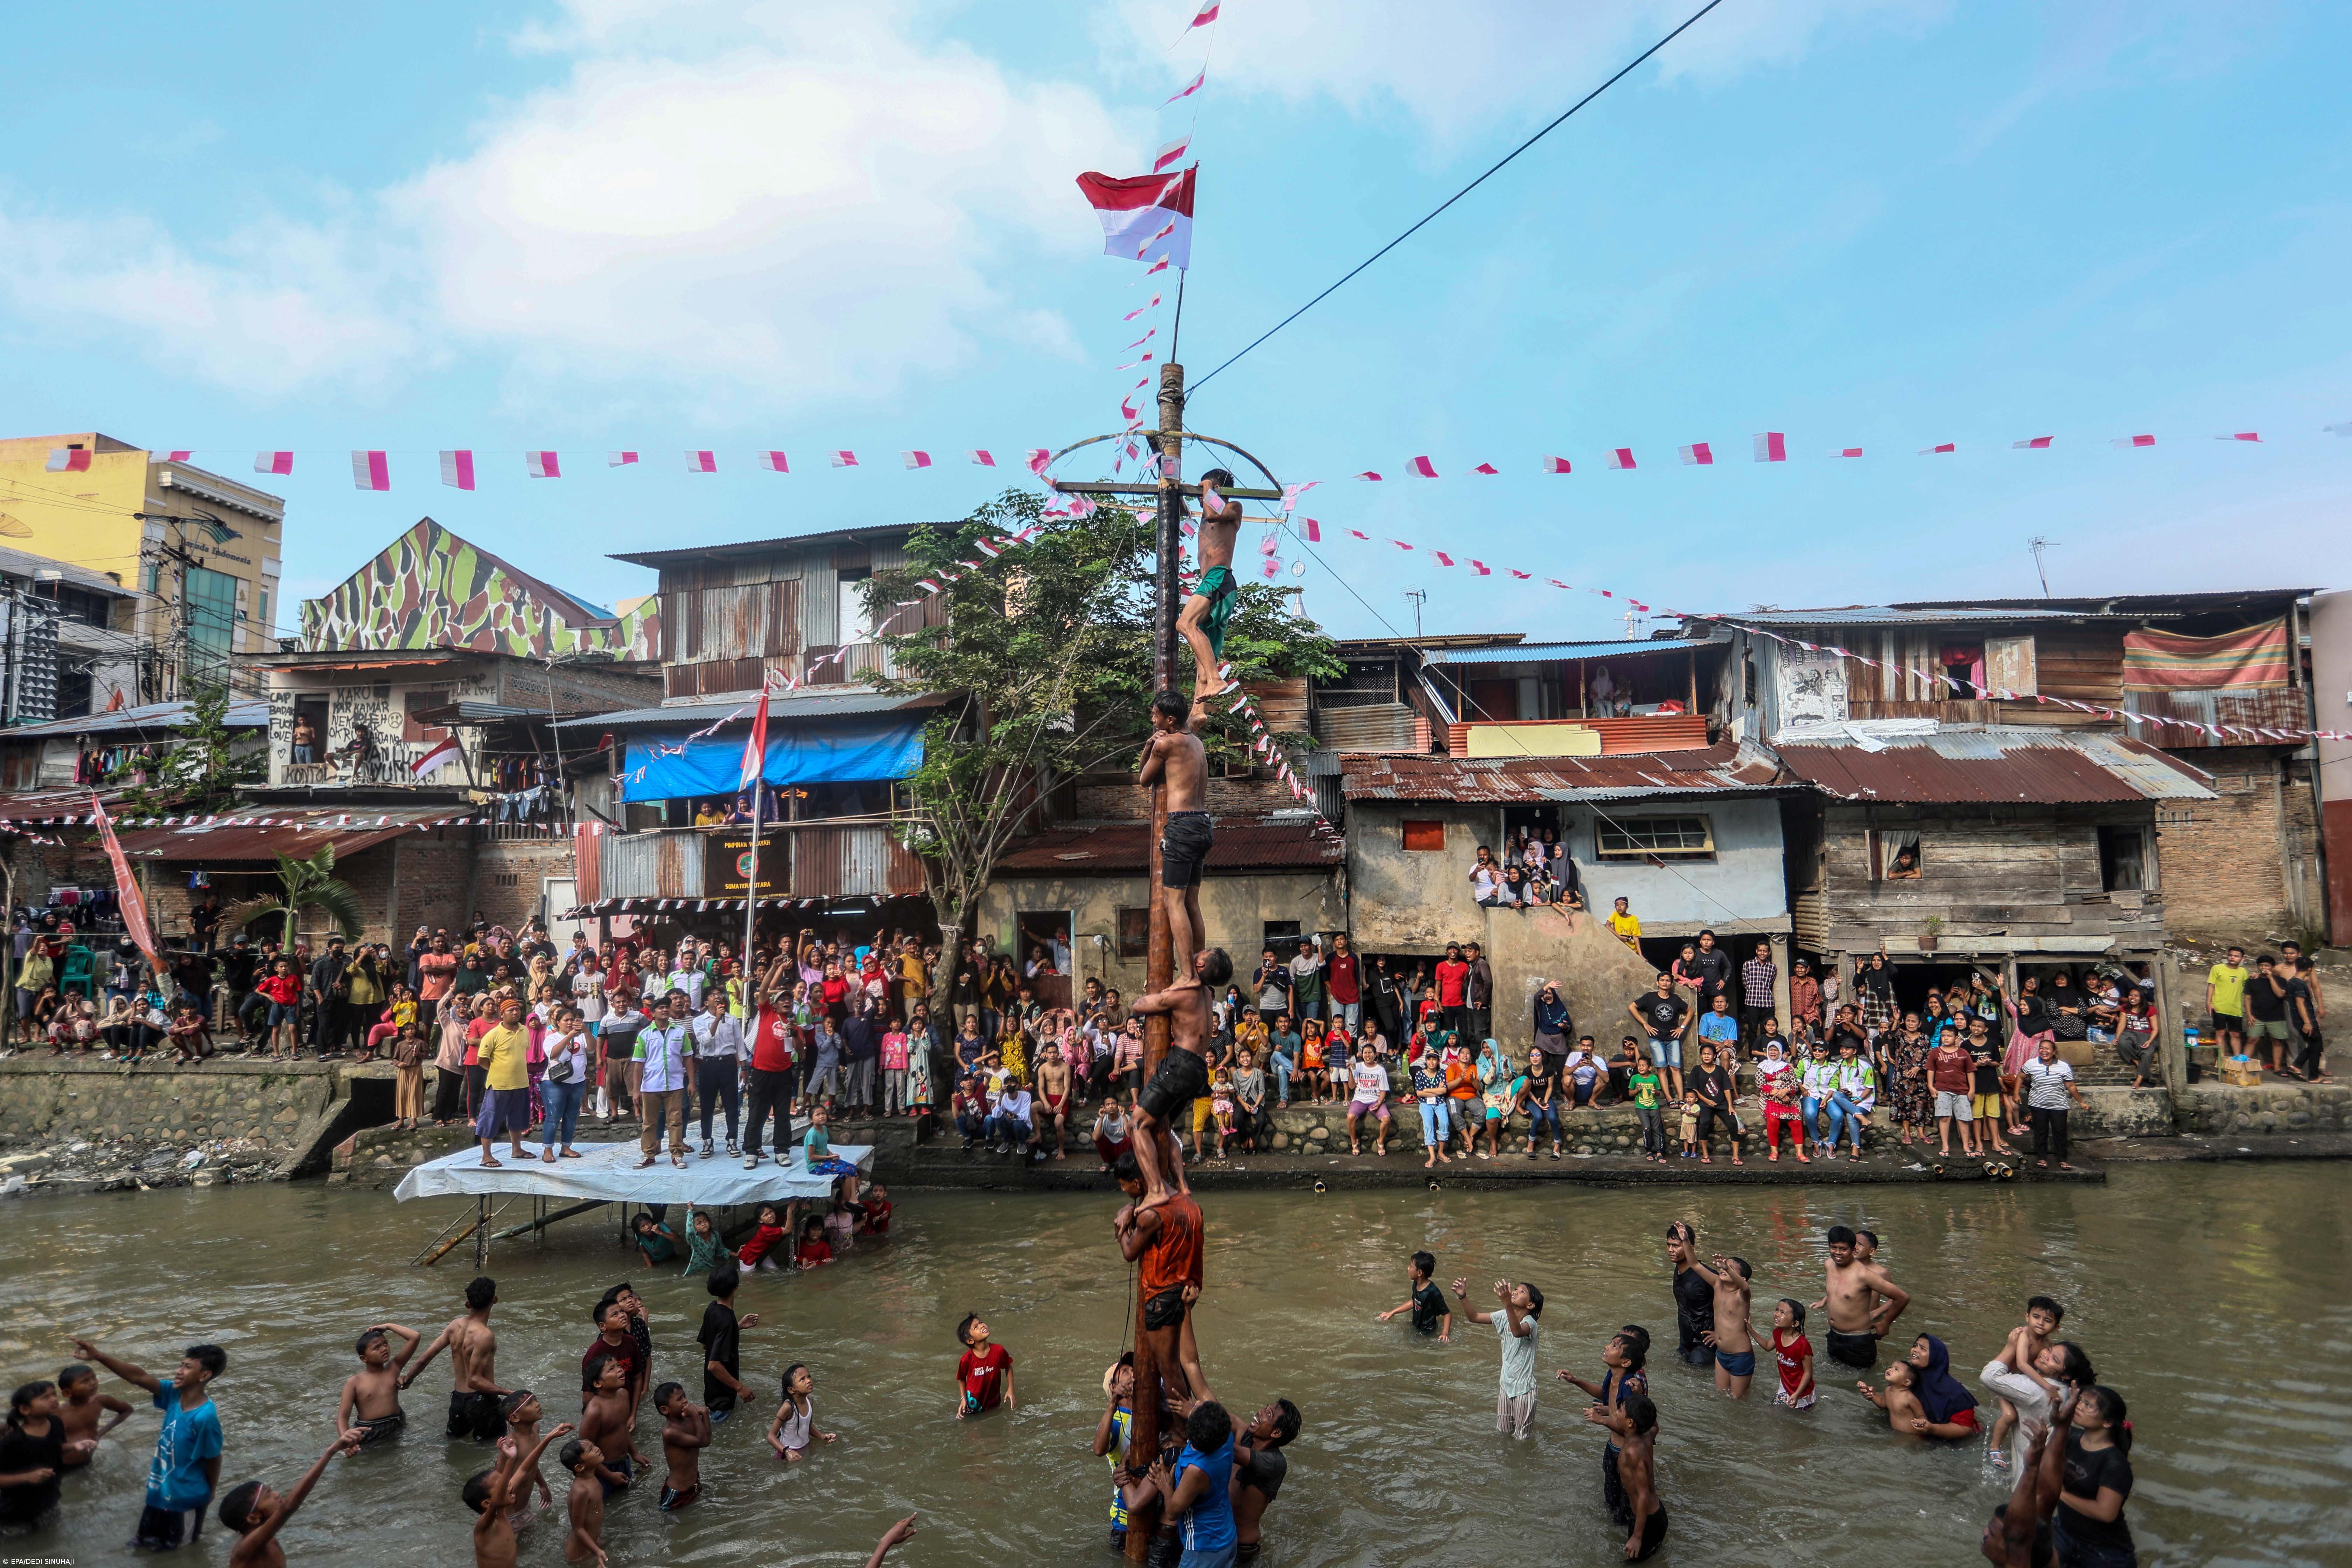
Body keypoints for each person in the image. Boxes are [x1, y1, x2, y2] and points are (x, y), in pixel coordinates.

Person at [70, 1337, 226, 1551]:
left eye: (188, 1367)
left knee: (179, 1552)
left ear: (205, 1375)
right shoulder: (174, 1395)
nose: (180, 1371)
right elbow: (137, 1376)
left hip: (185, 1500)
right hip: (159, 1492)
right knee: (142, 1545)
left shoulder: (205, 1417)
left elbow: (214, 1457)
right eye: (181, 1365)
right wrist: (98, 1356)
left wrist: (210, 1493)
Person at [1128, 947, 1234, 1211]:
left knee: (1137, 1125)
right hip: (1197, 1069)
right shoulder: (1207, 994)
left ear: (1201, 965)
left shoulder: (1186, 993)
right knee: (1163, 1125)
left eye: (1203, 952)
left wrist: (1166, 989)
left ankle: (1156, 1190)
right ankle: (1181, 1184)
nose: (1197, 952)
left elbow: (1139, 1006)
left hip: (1180, 1064)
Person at [1113, 1151, 1212, 1404]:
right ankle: (1184, 1417)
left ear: (1138, 1183)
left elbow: (1129, 1252)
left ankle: (1182, 1424)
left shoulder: (1151, 1215)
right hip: (1186, 1289)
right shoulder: (1190, 1204)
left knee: (1169, 1368)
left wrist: (1121, 1223)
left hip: (1162, 1295)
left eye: (1124, 1185)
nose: (1123, 1190)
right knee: (1180, 1363)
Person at [1140, 688, 1213, 975]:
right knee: (1191, 901)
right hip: (1203, 822)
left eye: (1156, 716)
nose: (1153, 720)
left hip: (1182, 824)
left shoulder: (1165, 744)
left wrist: (1149, 746)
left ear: (1170, 720)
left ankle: (1187, 973)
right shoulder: (1196, 742)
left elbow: (1144, 779)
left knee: (1173, 902)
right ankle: (1200, 967)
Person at [217, 1427, 365, 1568]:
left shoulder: (266, 1539)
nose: (277, 1495)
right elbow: (288, 1507)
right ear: (253, 1518)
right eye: (268, 1496)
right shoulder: (247, 1548)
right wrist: (331, 1452)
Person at [403, 1276, 507, 1441]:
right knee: (496, 1447)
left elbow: (425, 1358)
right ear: (495, 1300)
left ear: (468, 1304)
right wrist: (510, 1393)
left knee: (454, 1447)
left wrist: (407, 1380)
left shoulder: (455, 1326)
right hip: (482, 1402)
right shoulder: (485, 1335)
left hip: (458, 1402)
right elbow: (474, 1381)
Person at [1177, 468, 1245, 704]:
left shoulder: (1233, 508)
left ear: (1217, 489)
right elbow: (1197, 513)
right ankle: (1198, 713)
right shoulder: (1205, 516)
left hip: (1220, 577)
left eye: (1204, 490)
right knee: (1202, 652)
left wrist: (1207, 487)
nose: (1201, 496)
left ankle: (1216, 679)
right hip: (1209, 581)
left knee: (1185, 623)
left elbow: (1213, 514)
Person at [465, 1421, 573, 1568]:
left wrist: (549, 1437)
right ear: (487, 1503)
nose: (510, 1486)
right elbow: (498, 1499)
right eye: (502, 1484)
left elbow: (524, 1469)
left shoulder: (502, 1511)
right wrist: (509, 1463)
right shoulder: (485, 1525)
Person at [2050, 1385, 2136, 1568]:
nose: (2079, 1406)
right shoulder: (2070, 1437)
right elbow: (2046, 1467)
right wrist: (2060, 1424)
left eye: (2088, 1405)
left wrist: (2061, 1494)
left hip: (2103, 1552)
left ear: (2107, 1422)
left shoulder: (2115, 1464)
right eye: (2080, 1401)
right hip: (2064, 1533)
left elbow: (2106, 1513)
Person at [1451, 1275, 1543, 1441]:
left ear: (1530, 1305)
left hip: (1524, 1391)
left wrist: (1507, 1304)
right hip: (1506, 1386)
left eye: (1522, 1292)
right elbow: (1474, 1317)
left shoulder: (1531, 1323)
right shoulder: (1504, 1316)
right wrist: (1463, 1297)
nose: (1515, 1291)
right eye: (1516, 1289)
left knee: (1522, 1440)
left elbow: (1517, 1331)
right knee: (1503, 1435)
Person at [1982, 1295, 2067, 1467]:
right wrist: (2047, 1386)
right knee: (2010, 1416)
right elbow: (2021, 1363)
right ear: (2027, 1317)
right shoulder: (2024, 1335)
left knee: (2021, 1417)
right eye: (2036, 1317)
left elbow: (2041, 1368)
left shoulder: (2048, 1344)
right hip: (2007, 1380)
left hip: (2022, 1381)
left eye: (2047, 1321)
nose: (2040, 1323)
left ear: (2056, 1328)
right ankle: (1994, 1447)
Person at [1586, 1391, 1667, 1561]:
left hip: (1647, 1521)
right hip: (1657, 1514)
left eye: (1621, 1410)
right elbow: (1655, 1426)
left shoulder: (1632, 1452)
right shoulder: (1647, 1436)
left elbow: (1643, 1494)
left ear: (1630, 1423)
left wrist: (1637, 1537)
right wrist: (1640, 1397)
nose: (1616, 1412)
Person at [1, 1380, 88, 1535]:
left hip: (50, 1499)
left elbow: (54, 1449)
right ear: (25, 1409)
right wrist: (28, 1477)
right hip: (15, 1509)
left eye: (54, 1394)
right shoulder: (12, 1442)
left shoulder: (56, 1423)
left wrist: (75, 1446)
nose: (54, 1399)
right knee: (19, 1545)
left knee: (51, 1537)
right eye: (45, 1397)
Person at [1821, 1225, 1909, 1370]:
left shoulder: (1864, 1275)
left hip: (1857, 1341)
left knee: (1863, 1380)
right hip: (1834, 1336)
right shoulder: (1829, 1265)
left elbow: (1902, 1297)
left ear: (1853, 1250)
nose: (1838, 1253)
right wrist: (1824, 1300)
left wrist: (1885, 1323)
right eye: (1833, 1248)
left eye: (1843, 1249)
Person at [1228, 1398, 1301, 1565]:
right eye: (1265, 1408)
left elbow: (1231, 1450)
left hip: (1241, 1550)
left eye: (1269, 1413)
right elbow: (1218, 1409)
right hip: (1221, 1538)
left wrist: (1199, 1416)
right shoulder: (1248, 1438)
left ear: (1276, 1433)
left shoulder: (1275, 1463)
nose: (1260, 1412)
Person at [337, 1324, 420, 1446]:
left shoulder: (394, 1369)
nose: (384, 1349)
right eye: (377, 1348)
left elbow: (415, 1337)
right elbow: (342, 1417)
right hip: (370, 1431)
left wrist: (388, 1326)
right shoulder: (354, 1382)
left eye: (385, 1344)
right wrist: (346, 1440)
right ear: (364, 1359)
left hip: (397, 1423)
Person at [698, 1267, 760, 1424]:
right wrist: (740, 1388)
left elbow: (706, 1345)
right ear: (736, 1286)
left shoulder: (712, 1308)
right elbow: (713, 1365)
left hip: (712, 1393)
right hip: (723, 1401)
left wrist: (737, 1327)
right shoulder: (727, 1320)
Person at [1690, 1253, 1756, 1396]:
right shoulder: (1718, 1285)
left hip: (1740, 1356)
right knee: (1721, 1397)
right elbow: (1695, 1265)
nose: (1723, 1269)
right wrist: (1685, 1242)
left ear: (1741, 1279)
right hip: (1721, 1354)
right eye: (1724, 1266)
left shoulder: (1742, 1296)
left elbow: (1745, 1287)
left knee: (1737, 1402)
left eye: (1731, 1268)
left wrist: (1727, 1268)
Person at [574, 1356, 639, 1496]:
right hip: (603, 1469)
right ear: (598, 1383)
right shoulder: (595, 1411)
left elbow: (623, 1428)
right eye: (612, 1369)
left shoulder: (624, 1395)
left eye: (619, 1366)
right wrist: (610, 1476)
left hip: (624, 1462)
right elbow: (584, 1452)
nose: (620, 1370)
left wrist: (635, 1454)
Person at [2022, 1038, 2086, 1170]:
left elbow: (2071, 1086)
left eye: (2047, 1049)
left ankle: (2062, 1160)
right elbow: (2020, 1077)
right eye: (2041, 1048)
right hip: (2038, 1104)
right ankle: (2042, 1158)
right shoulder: (2031, 1064)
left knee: (2060, 1132)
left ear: (2054, 1051)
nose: (2044, 1051)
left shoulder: (2063, 1066)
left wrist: (2081, 1102)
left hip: (2058, 1105)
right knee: (2040, 1131)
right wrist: (2016, 1094)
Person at [558, 1436, 622, 1566]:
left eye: (594, 1445)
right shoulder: (581, 1491)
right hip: (579, 1554)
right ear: (580, 1467)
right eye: (591, 1449)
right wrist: (597, 1551)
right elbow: (578, 1529)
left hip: (591, 1543)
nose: (597, 1449)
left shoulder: (592, 1478)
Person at [55, 1360, 132, 1466]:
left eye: (94, 1377)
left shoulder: (100, 1401)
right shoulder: (59, 1414)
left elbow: (127, 1410)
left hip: (88, 1460)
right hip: (63, 1466)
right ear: (67, 1392)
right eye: (85, 1381)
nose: (93, 1383)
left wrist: (99, 1434)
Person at [1629, 973, 1691, 1100]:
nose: (1665, 982)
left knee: (1676, 1068)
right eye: (1662, 980)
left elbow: (1691, 1011)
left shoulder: (1675, 999)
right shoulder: (1650, 997)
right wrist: (1645, 1024)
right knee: (1662, 1068)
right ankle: (1669, 1098)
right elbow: (1632, 1007)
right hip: (1656, 1038)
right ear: (1657, 983)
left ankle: (1681, 1098)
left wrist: (1682, 1028)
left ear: (1671, 984)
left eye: (1668, 981)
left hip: (1673, 1038)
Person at [649, 1383, 709, 1512]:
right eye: (679, 1399)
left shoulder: (689, 1420)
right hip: (676, 1492)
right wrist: (696, 1415)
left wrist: (704, 1413)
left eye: (685, 1396)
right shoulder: (670, 1432)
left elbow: (707, 1440)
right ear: (665, 1410)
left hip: (695, 1484)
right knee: (667, 1517)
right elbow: (703, 1442)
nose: (685, 1401)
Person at [1377, 1250, 1451, 1342]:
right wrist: (1392, 1312)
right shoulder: (1416, 1283)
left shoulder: (1433, 1292)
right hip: (1416, 1326)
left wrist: (1445, 1333)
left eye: (1411, 1266)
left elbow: (1447, 1314)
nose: (1408, 1268)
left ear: (1419, 1273)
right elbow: (1414, 1302)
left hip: (1428, 1333)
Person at [767, 1363, 836, 1462]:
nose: (809, 1381)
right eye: (802, 1379)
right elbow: (771, 1436)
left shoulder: (810, 1401)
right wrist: (787, 1452)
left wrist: (822, 1437)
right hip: (787, 1455)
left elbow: (809, 1426)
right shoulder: (788, 1408)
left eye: (809, 1376)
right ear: (791, 1390)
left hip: (806, 1448)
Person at [1929, 1023, 1978, 1157]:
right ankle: (1945, 1146)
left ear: (1956, 1038)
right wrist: (1931, 1087)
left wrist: (1972, 1090)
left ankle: (1966, 1146)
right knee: (1944, 1118)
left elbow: (1970, 1072)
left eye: (1949, 1036)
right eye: (1943, 1036)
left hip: (1962, 1090)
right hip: (1942, 1089)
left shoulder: (1963, 1053)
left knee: (1964, 1119)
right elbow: (1931, 1070)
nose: (1946, 1038)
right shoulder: (1935, 1052)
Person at [953, 1312, 1015, 1418]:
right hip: (972, 1407)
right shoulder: (966, 1359)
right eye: (976, 1327)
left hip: (994, 1403)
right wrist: (963, 1398)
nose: (982, 1326)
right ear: (970, 1340)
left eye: (981, 1323)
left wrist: (1011, 1388)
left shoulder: (999, 1350)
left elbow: (1008, 1366)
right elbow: (962, 1378)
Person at [1344, 1043, 1392, 1156]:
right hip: (1360, 1099)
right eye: (1365, 1053)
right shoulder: (1358, 1066)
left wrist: (1379, 1103)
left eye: (1370, 1052)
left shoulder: (1380, 1070)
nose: (1367, 1055)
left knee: (1387, 1119)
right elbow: (1351, 1086)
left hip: (1375, 1099)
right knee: (1350, 1117)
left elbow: (1383, 1090)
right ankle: (1354, 1142)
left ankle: (1380, 1142)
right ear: (1362, 1055)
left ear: (1375, 1055)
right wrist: (1350, 1071)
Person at [1770, 1299, 1815, 1410]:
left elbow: (1808, 1373)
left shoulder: (1802, 1344)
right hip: (1785, 1387)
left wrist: (1797, 1394)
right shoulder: (1778, 1333)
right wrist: (1750, 1330)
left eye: (1783, 1313)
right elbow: (1767, 1346)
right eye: (1777, 1310)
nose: (1777, 1314)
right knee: (1774, 1412)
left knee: (1799, 1416)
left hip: (1802, 1393)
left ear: (1795, 1324)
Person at [2206, 945, 2248, 1061]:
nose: (2233, 958)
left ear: (2242, 959)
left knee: (2236, 1034)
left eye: (2236, 956)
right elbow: (2211, 986)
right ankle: (2221, 1060)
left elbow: (2247, 988)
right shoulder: (2217, 968)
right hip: (2219, 1007)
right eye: (2230, 955)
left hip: (2235, 1008)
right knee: (2220, 1032)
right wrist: (2208, 1003)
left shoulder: (2243, 972)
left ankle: (2238, 1060)